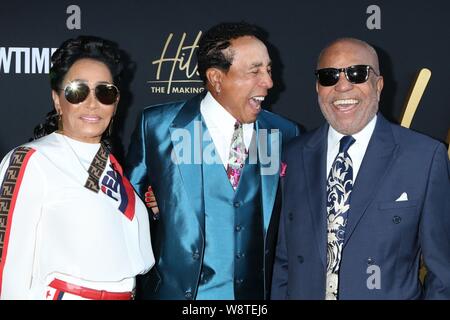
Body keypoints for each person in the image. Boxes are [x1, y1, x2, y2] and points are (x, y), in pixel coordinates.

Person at [126, 21, 299, 300]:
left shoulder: (283, 134)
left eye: (268, 70)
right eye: (255, 71)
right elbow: (126, 209)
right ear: (216, 78)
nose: (268, 82)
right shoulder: (157, 126)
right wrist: (158, 209)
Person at [271, 37, 450, 300]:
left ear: (378, 85)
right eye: (329, 76)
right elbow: (282, 261)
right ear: (318, 87)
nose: (342, 86)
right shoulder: (292, 155)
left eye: (357, 74)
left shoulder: (424, 157)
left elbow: (443, 273)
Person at [0, 36, 154, 300]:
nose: (92, 103)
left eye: (104, 92)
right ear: (58, 100)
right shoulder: (32, 160)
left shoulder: (111, 167)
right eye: (77, 92)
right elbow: (7, 268)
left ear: (116, 103)